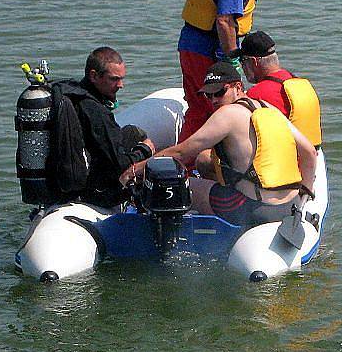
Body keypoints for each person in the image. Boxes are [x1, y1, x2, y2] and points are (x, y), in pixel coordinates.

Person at [121, 62, 316, 228]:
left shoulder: (228, 114)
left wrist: (136, 169)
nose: (214, 100)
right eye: (208, 95)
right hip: (288, 206)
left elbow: (182, 152)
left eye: (219, 93)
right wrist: (304, 195)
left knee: (184, 185)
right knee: (204, 161)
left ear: (238, 87)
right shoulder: (269, 108)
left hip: (252, 210)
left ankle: (162, 236)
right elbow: (309, 152)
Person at [177, 0, 280, 145]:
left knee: (198, 108)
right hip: (210, 54)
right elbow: (224, 21)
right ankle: (202, 167)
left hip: (190, 47)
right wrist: (232, 59)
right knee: (219, 113)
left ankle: (185, 166)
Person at [76, 47, 155, 209]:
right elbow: (120, 165)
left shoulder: (76, 95)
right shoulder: (95, 111)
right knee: (145, 149)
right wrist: (144, 150)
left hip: (79, 175)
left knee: (132, 132)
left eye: (121, 79)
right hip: (96, 193)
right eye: (114, 79)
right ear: (94, 76)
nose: (121, 85)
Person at [235, 31, 323, 148]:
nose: (242, 67)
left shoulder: (257, 94)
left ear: (253, 62)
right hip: (317, 158)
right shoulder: (299, 82)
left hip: (292, 162)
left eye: (242, 62)